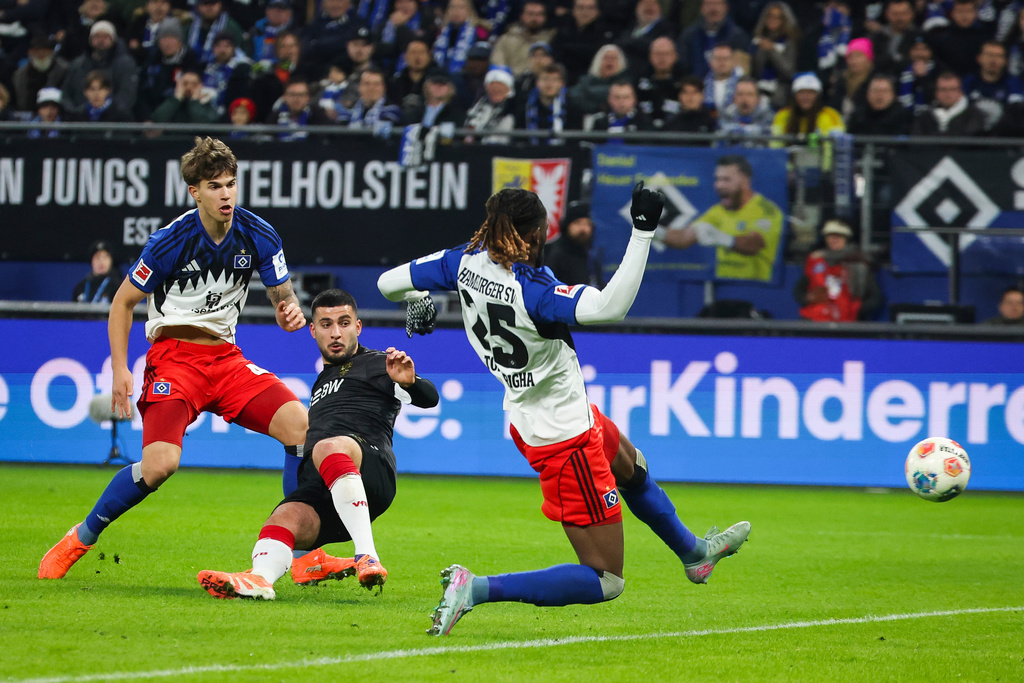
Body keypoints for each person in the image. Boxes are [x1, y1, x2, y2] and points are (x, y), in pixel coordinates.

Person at [377, 183, 750, 637]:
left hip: (539, 412)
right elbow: (610, 307)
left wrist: (421, 303)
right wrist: (643, 231)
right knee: (606, 578)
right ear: (534, 234)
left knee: (630, 466)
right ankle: (474, 587)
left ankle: (694, 553)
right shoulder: (534, 291)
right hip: (565, 437)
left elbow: (388, 283)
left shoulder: (463, 261)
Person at [39, 137, 313, 580]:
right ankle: (81, 537)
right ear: (195, 192)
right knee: (160, 466)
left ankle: (296, 559)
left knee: (301, 428)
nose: (226, 194)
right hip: (174, 361)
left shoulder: (259, 234)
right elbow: (122, 304)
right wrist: (121, 369)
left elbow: (283, 295)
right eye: (214, 186)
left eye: (231, 184)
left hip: (227, 360)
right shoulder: (171, 241)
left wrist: (290, 310)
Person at [196, 288, 440, 599]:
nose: (336, 333)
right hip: (327, 487)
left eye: (344, 322)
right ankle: (259, 580)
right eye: (326, 324)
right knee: (282, 518)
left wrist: (410, 381)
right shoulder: (322, 382)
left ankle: (367, 554)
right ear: (313, 331)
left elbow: (429, 398)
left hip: (370, 470)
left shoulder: (380, 364)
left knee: (327, 445)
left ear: (358, 327)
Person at [653, 155, 783, 282]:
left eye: (726, 179)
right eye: (717, 179)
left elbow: (755, 244)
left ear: (745, 181)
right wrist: (651, 231)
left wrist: (723, 238)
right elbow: (683, 238)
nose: (719, 185)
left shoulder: (766, 210)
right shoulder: (718, 211)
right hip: (725, 284)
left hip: (757, 288)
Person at [793, 219, 881, 322]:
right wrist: (808, 299)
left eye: (838, 236)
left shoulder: (859, 263)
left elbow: (875, 299)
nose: (833, 239)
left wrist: (853, 308)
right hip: (815, 320)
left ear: (846, 239)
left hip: (847, 324)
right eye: (830, 236)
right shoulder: (816, 261)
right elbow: (799, 290)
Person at [748, 1, 798, 110]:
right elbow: (755, 71)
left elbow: (788, 71)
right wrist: (760, 51)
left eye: (778, 17)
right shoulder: (757, 40)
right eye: (769, 15)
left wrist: (772, 50)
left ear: (784, 20)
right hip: (758, 91)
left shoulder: (789, 42)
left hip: (780, 94)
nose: (772, 19)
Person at [543, 199, 604, 287]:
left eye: (587, 224)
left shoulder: (591, 258)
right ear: (567, 226)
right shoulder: (552, 253)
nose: (583, 229)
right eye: (577, 223)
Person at [911, 70, 988, 135]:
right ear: (936, 92)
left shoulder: (975, 115)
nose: (947, 94)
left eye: (952, 89)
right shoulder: (925, 117)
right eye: (943, 89)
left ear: (960, 92)